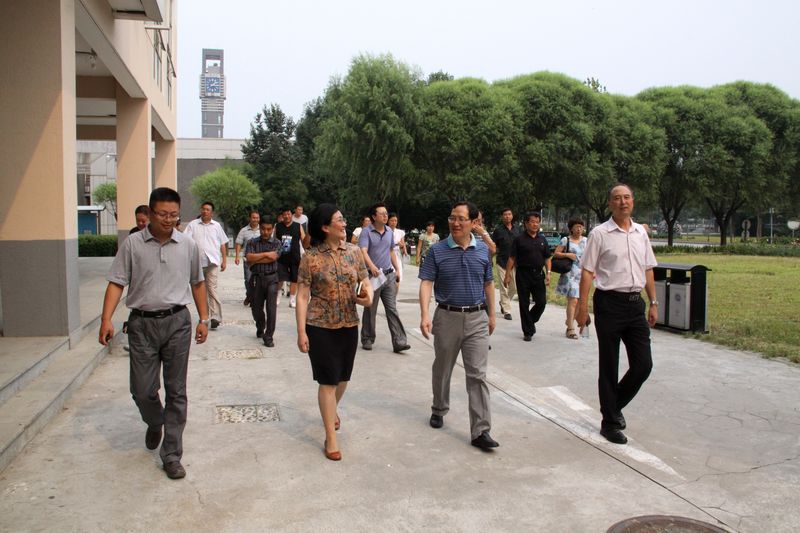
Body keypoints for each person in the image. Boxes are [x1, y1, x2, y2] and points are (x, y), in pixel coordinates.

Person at [98, 187, 209, 480]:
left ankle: (171, 454)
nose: (168, 220)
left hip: (177, 322)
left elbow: (198, 283)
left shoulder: (187, 245)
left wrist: (204, 319)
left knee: (177, 390)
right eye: (162, 214)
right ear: (149, 213)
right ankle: (155, 421)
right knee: (142, 390)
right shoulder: (133, 244)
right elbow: (116, 282)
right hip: (142, 325)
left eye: (174, 215)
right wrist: (106, 319)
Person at [576, 183, 658, 445]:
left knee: (643, 365)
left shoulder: (640, 233)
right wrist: (582, 307)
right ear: (610, 203)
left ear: (633, 201)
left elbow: (648, 268)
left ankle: (612, 407)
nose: (623, 202)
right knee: (609, 364)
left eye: (627, 197)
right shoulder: (600, 234)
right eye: (617, 198)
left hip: (635, 305)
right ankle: (610, 423)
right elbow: (587, 271)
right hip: (609, 304)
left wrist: (653, 301)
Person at [296, 204, 373, 461]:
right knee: (327, 380)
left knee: (343, 379)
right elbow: (302, 296)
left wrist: (367, 297)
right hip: (319, 326)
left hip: (349, 324)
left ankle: (330, 411)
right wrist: (301, 332)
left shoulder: (354, 252)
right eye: (339, 220)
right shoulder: (310, 257)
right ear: (325, 227)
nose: (344, 223)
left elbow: (364, 282)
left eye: (343, 219)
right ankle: (330, 437)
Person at [419, 201, 498, 450]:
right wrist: (425, 314)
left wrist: (492, 315)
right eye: (452, 218)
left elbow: (488, 284)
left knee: (477, 374)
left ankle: (481, 430)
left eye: (461, 218)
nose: (455, 223)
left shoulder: (483, 250)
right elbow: (426, 282)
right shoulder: (437, 251)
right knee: (443, 368)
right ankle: (439, 408)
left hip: (477, 318)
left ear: (474, 223)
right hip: (447, 317)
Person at [358, 202, 410, 353]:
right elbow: (363, 251)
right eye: (382, 214)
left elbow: (391, 251)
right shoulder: (366, 232)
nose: (385, 216)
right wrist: (372, 266)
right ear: (374, 217)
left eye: (386, 213)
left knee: (392, 308)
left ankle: (399, 341)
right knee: (370, 308)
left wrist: (397, 269)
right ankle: (367, 338)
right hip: (372, 277)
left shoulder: (389, 232)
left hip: (388, 275)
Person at [503, 212, 552, 341]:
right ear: (526, 223)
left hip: (538, 275)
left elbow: (547, 258)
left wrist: (548, 273)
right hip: (523, 275)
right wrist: (507, 275)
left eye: (537, 222)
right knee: (524, 303)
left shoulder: (542, 240)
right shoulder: (519, 239)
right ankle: (527, 332)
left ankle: (529, 321)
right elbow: (512, 258)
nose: (535, 224)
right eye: (532, 222)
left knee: (541, 302)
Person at [183, 201, 228, 329]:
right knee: (200, 290)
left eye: (208, 209)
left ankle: (215, 317)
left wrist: (224, 260)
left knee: (212, 288)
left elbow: (222, 243)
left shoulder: (217, 226)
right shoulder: (193, 225)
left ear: (211, 212)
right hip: (197, 263)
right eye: (203, 209)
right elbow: (185, 241)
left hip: (212, 262)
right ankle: (204, 316)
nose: (205, 211)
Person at [245, 215, 281, 347]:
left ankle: (269, 335)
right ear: (259, 228)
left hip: (272, 279)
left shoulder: (277, 243)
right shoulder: (252, 242)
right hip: (256, 279)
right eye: (263, 229)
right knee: (256, 309)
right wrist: (266, 255)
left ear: (272, 229)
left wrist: (256, 258)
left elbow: (274, 257)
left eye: (269, 229)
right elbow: (249, 258)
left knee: (271, 309)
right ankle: (260, 326)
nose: (266, 232)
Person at [554, 218, 588, 339]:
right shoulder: (566, 240)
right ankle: (570, 328)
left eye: (581, 227)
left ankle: (569, 320)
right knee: (573, 300)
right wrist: (568, 254)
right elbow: (556, 253)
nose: (579, 229)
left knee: (579, 301)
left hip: (582, 274)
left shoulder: (586, 240)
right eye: (577, 226)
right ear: (571, 228)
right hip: (570, 274)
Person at [491, 208, 521, 320]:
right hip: (502, 262)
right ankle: (507, 311)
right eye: (505, 214)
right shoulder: (498, 231)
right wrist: (490, 258)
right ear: (502, 217)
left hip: (515, 263)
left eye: (509, 214)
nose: (507, 216)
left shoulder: (518, 229)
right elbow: (493, 246)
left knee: (514, 287)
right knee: (504, 287)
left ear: (512, 216)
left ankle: (503, 302)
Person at [275, 207, 307, 308]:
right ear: (282, 216)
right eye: (285, 214)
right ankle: (278, 297)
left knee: (294, 279)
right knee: (280, 278)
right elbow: (274, 240)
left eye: (288, 214)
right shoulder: (278, 226)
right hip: (281, 257)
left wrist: (307, 252)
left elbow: (304, 240)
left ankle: (292, 299)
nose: (287, 216)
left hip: (295, 257)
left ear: (291, 215)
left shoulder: (298, 226)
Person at [234, 210, 261, 306]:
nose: (255, 219)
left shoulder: (262, 230)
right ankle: (250, 295)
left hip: (260, 259)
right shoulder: (243, 230)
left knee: (259, 280)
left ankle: (254, 297)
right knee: (248, 279)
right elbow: (238, 244)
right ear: (250, 218)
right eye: (253, 217)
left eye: (257, 218)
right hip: (248, 260)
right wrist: (237, 256)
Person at [387, 212, 407, 282]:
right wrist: (395, 244)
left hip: (397, 255)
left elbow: (402, 243)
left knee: (398, 276)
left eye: (395, 221)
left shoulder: (400, 232)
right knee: (389, 276)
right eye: (392, 220)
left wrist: (404, 250)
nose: (394, 222)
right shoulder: (384, 231)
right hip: (387, 254)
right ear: (388, 221)